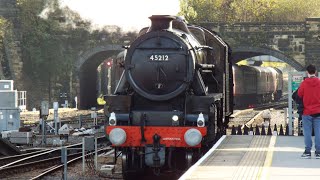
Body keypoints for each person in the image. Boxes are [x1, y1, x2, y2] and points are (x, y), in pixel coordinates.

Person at [298, 64, 320, 159]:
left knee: (307, 132)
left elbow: (299, 94)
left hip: (307, 112)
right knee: (318, 131)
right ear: (315, 72)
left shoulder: (304, 83)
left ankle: (307, 152)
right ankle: (318, 152)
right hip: (318, 111)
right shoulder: (319, 82)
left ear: (307, 72)